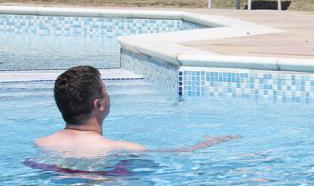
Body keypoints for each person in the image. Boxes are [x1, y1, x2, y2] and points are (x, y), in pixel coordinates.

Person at [34, 66, 238, 156]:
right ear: (98, 105)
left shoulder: (42, 143)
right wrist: (204, 144)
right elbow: (176, 155)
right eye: (106, 91)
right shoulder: (120, 148)